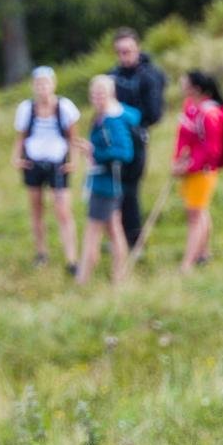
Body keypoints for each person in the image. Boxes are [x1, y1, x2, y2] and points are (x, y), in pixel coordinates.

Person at [76, 73, 141, 286]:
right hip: (105, 181)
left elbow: (124, 152)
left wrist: (94, 152)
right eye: (94, 93)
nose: (97, 97)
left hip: (106, 183)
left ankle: (83, 279)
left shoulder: (112, 120)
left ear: (111, 93)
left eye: (101, 93)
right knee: (114, 228)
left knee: (92, 231)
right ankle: (119, 276)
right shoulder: (104, 116)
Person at [12, 66, 78, 270]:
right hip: (33, 161)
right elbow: (21, 136)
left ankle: (71, 258)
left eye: (46, 83)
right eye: (38, 84)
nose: (42, 88)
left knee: (63, 211)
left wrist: (73, 160)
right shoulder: (26, 109)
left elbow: (73, 136)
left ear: (53, 84)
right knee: (37, 210)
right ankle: (41, 253)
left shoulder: (64, 107)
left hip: (58, 162)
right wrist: (16, 157)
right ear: (33, 86)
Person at [109, 27, 168, 250]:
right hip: (114, 140)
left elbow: (155, 113)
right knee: (114, 189)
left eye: (128, 51)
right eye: (120, 52)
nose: (124, 57)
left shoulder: (149, 76)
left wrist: (129, 118)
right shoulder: (112, 76)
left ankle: (134, 239)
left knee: (130, 190)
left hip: (136, 139)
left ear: (137, 49)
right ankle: (117, 236)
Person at [172, 69, 223, 273]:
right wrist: (178, 160)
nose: (181, 85)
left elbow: (212, 150)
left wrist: (188, 166)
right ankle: (203, 254)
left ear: (195, 88)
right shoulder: (190, 107)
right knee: (199, 211)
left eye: (185, 83)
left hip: (203, 172)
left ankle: (187, 264)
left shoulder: (209, 113)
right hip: (190, 170)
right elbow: (185, 137)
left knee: (194, 215)